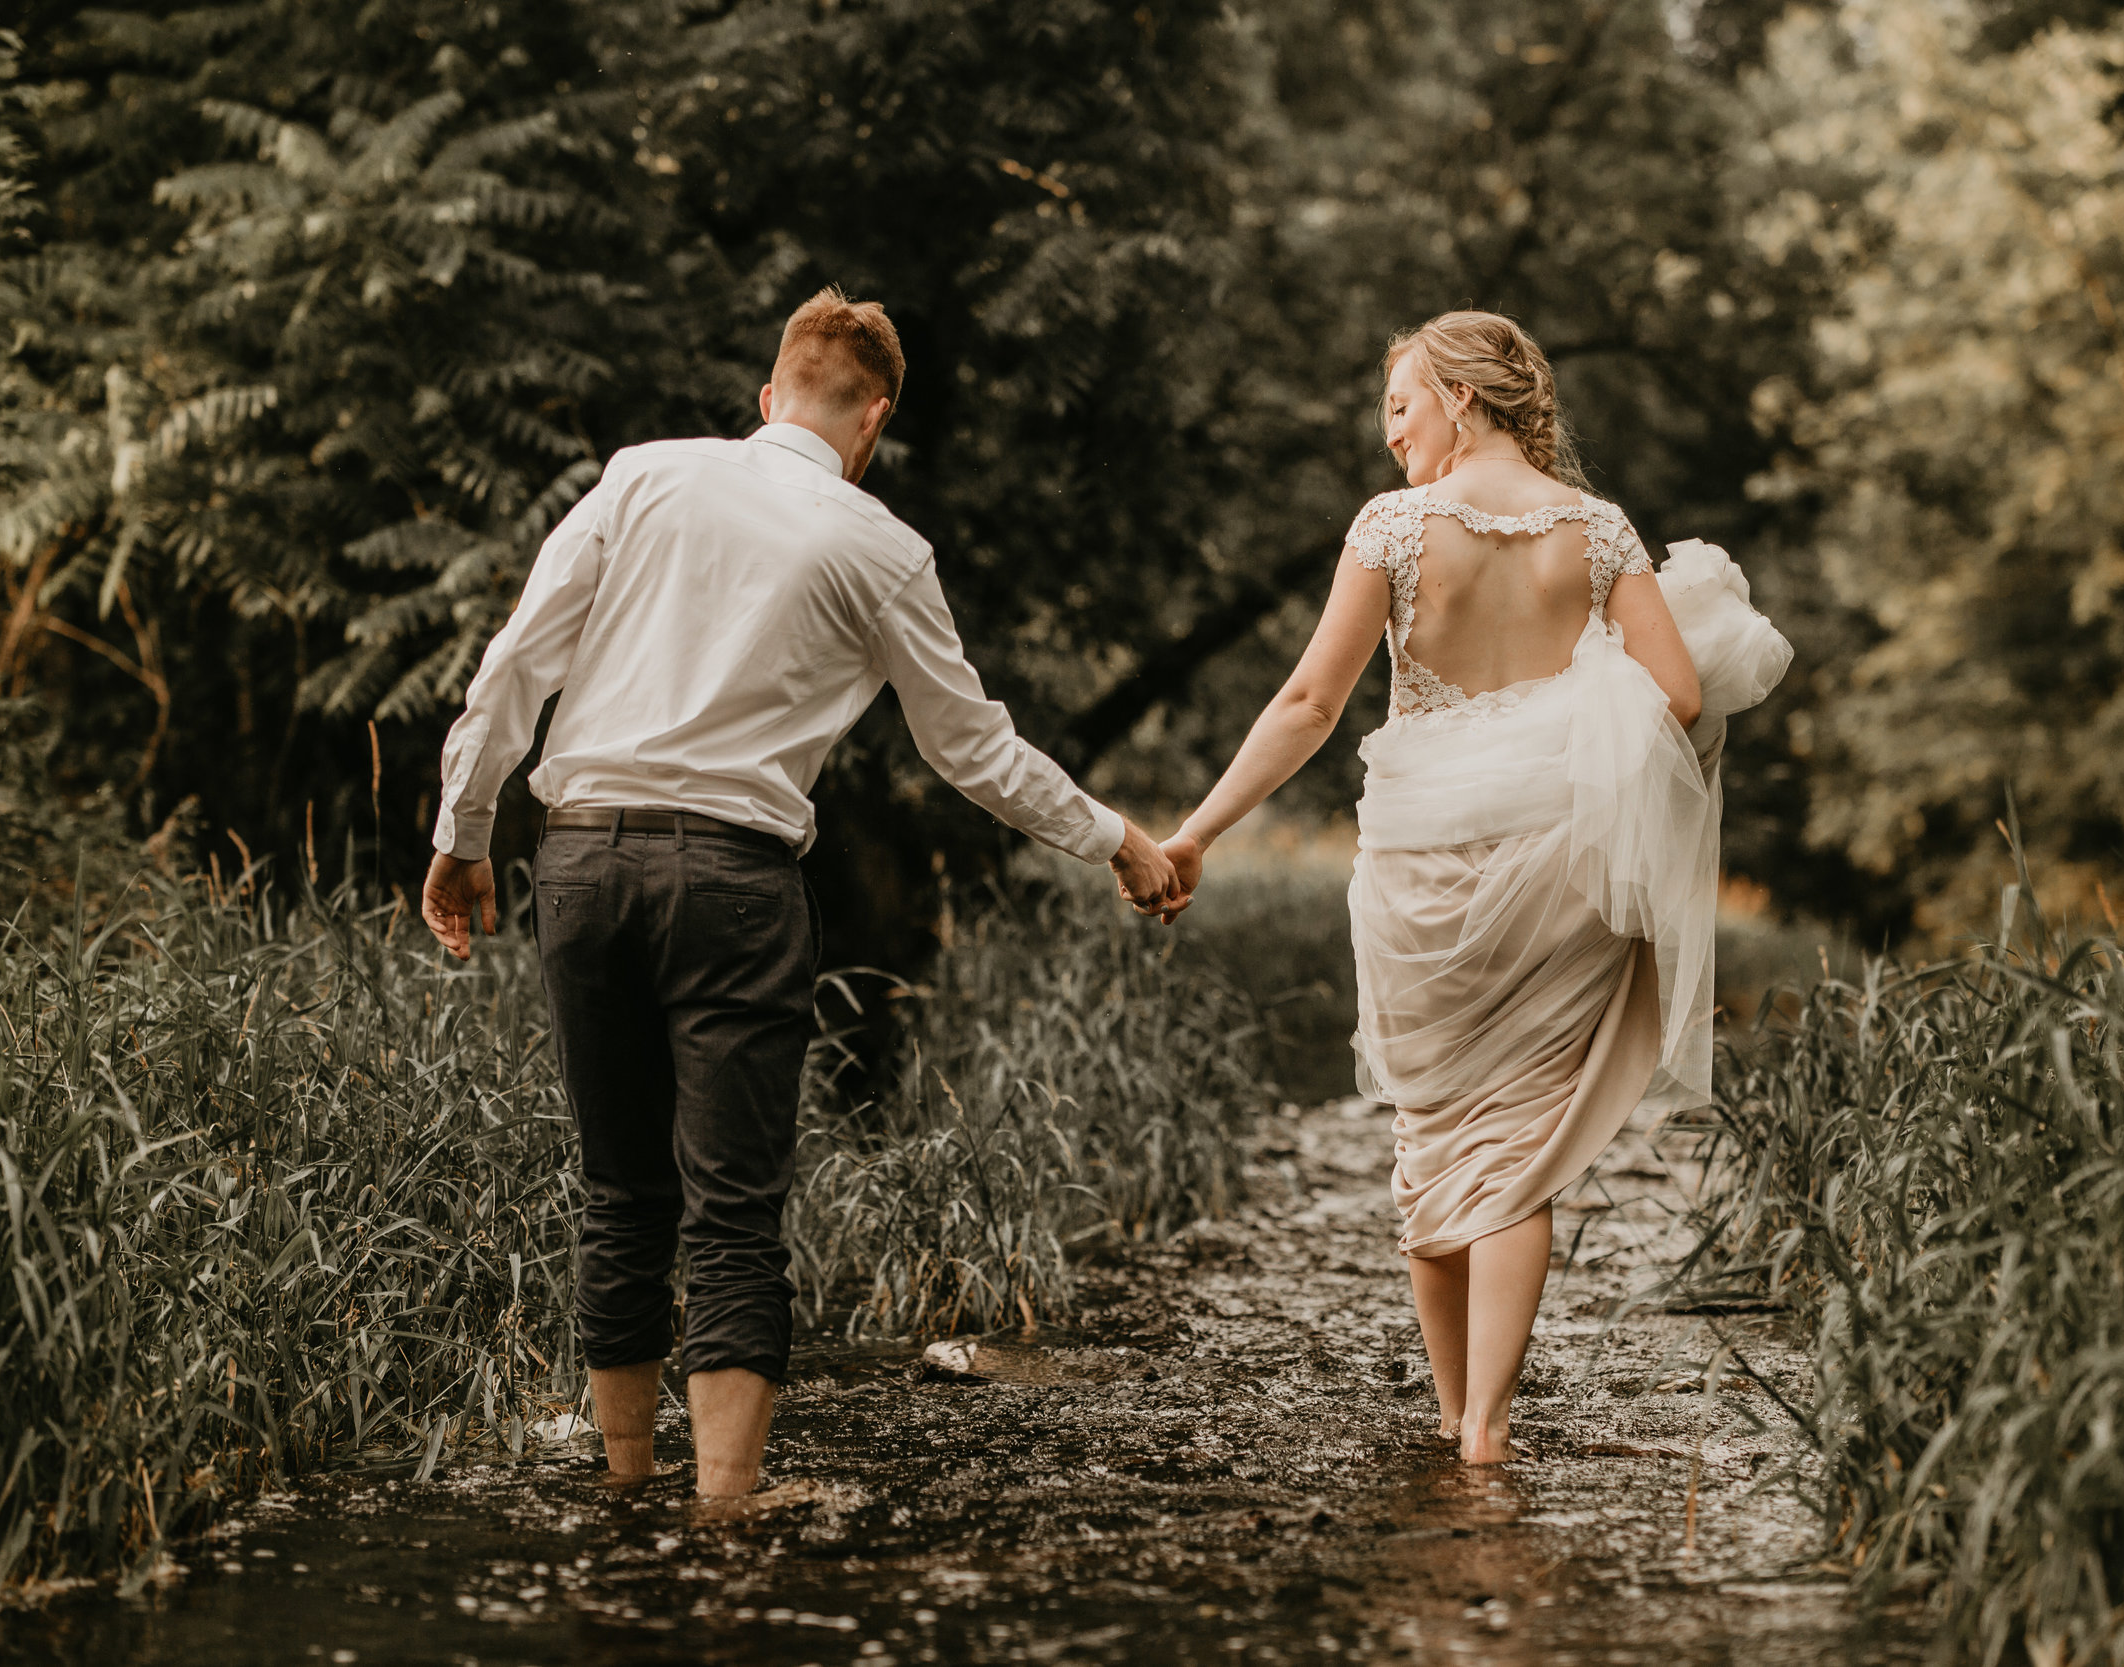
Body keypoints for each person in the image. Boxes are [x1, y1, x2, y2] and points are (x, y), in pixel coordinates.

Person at [417, 287, 1182, 1498]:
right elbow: (971, 751)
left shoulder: (645, 474)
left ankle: (624, 1488)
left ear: (768, 394)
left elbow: (517, 663)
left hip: (585, 862)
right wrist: (1115, 837)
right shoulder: (880, 547)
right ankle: (726, 1521)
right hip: (732, 884)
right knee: (731, 1210)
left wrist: (463, 830)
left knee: (621, 1190)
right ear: (872, 420)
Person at [1156, 311, 1790, 1464]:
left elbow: (1307, 705)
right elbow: (1683, 696)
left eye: (1399, 403)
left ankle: (1453, 1410)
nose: (1388, 432)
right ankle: (1486, 1427)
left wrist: (1197, 832)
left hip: (1421, 870)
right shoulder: (1599, 532)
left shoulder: (1394, 528)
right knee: (1518, 1147)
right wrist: (1571, 700)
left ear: (1457, 393)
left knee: (1433, 1131)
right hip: (1562, 873)